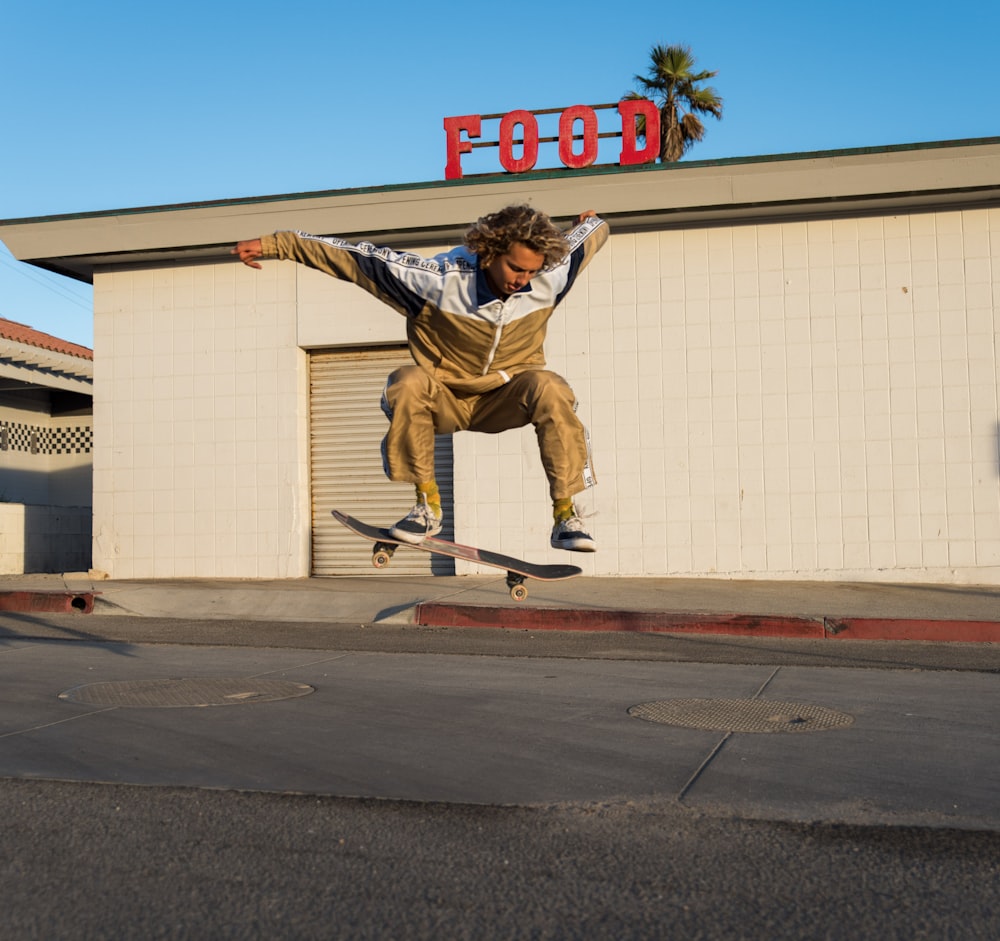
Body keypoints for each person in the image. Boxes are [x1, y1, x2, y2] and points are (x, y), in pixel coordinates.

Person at [233, 204, 608, 551]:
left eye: (531, 271)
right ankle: (426, 505)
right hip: (443, 397)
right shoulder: (437, 280)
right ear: (490, 252)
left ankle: (564, 516)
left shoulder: (549, 276)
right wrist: (275, 244)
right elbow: (352, 258)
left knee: (552, 387)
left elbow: (592, 236)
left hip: (505, 396)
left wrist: (586, 224)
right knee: (407, 381)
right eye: (515, 268)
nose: (522, 281)